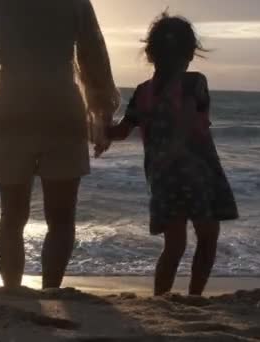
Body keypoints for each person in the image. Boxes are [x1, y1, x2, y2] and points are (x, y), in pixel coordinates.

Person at [0, 0, 120, 289]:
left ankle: (12, 290)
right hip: (61, 108)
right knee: (61, 218)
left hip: (14, 108)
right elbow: (94, 57)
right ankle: (51, 289)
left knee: (12, 215)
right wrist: (103, 114)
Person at [107, 13, 239, 296]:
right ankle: (194, 296)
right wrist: (178, 148)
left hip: (162, 176)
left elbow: (120, 132)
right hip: (198, 172)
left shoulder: (143, 92)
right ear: (191, 53)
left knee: (174, 244)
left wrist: (98, 131)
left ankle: (161, 298)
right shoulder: (194, 83)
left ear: (151, 54)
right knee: (207, 236)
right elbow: (190, 118)